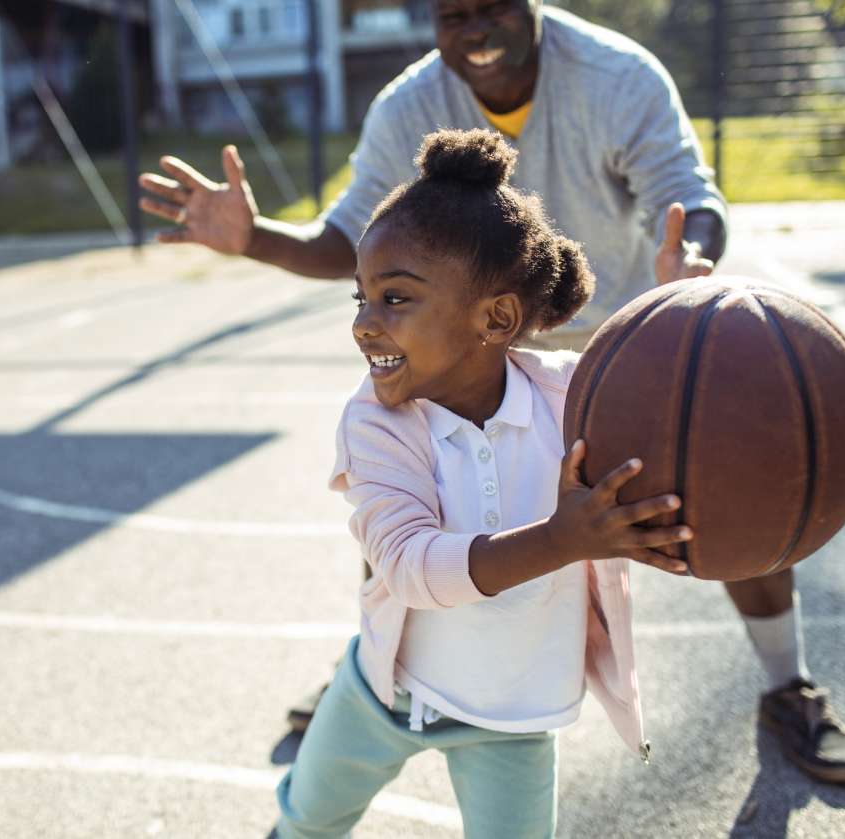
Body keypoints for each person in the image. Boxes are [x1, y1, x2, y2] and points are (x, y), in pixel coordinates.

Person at [140, 0, 845, 784]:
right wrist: (254, 237)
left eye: (489, 10)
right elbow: (347, 237)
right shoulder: (407, 104)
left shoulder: (616, 76)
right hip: (458, 347)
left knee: (721, 480)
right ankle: (374, 673)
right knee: (404, 501)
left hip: (612, 346)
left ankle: (786, 682)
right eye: (452, 15)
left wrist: (686, 260)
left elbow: (687, 194)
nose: (472, 30)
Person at [276, 127, 692, 839]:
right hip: (386, 692)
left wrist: (682, 319)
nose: (365, 325)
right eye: (361, 299)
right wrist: (561, 539)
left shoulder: (569, 399)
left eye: (394, 299)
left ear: (495, 317)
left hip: (513, 714)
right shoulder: (376, 423)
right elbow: (408, 566)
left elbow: (662, 406)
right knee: (306, 821)